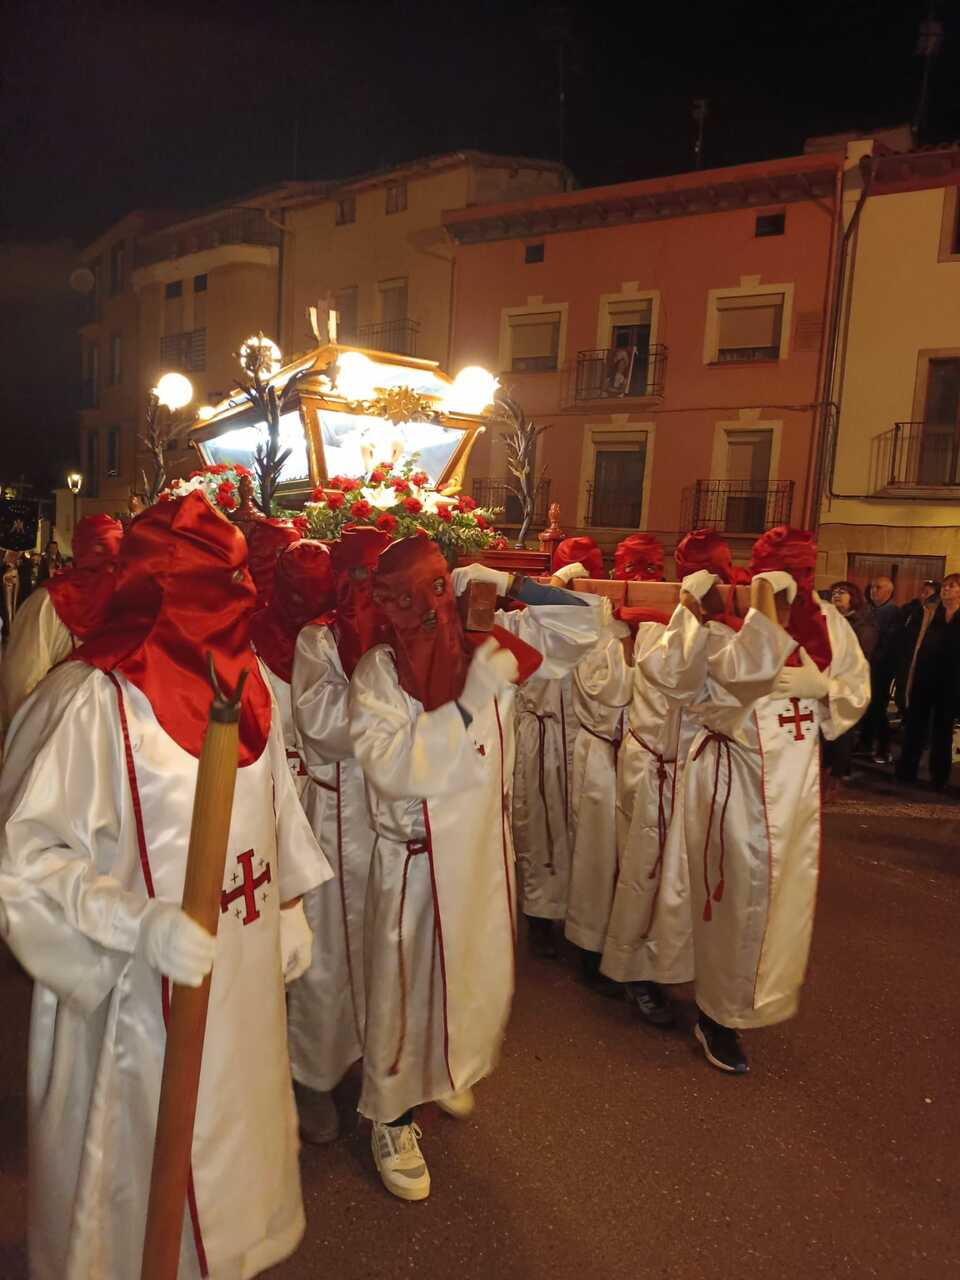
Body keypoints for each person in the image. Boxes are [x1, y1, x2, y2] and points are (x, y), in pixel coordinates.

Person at [0, 491, 331, 1279]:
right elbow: (23, 861)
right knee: (130, 1186)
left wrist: (287, 905)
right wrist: (134, 925)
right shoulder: (88, 701)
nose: (239, 603)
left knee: (231, 1143)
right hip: (127, 999)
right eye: (219, 587)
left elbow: (274, 807)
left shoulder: (246, 686)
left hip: (238, 977)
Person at [349, 538, 599, 1201]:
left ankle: (444, 1068)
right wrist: (463, 706)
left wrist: (513, 586)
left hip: (481, 854)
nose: (433, 610)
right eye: (416, 599)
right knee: (404, 992)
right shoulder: (380, 672)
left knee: (466, 978)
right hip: (415, 862)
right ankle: (390, 1117)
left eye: (441, 589)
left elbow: (586, 627)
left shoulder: (488, 642)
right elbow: (394, 770)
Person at [686, 527, 869, 1074]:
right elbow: (701, 696)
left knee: (781, 898)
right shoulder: (731, 618)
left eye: (805, 571)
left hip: (795, 788)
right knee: (736, 895)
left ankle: (755, 1001)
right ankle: (716, 1013)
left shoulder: (830, 621)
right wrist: (756, 659)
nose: (798, 583)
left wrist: (825, 690)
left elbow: (855, 685)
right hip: (740, 780)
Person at [600, 530, 752, 1025]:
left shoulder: (712, 629)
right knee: (643, 873)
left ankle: (666, 965)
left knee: (681, 881)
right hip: (654, 768)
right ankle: (632, 971)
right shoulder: (651, 625)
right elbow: (672, 679)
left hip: (688, 772)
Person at [287, 525, 390, 1145]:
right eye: (358, 576)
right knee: (327, 951)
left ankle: (387, 1066)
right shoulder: (317, 638)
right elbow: (321, 727)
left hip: (393, 815)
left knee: (389, 945)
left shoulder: (409, 635)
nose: (367, 589)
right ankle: (314, 1075)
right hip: (337, 811)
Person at [564, 532, 666, 992]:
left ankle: (636, 955)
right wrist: (625, 640)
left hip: (647, 763)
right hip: (603, 756)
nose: (642, 582)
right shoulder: (599, 627)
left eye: (652, 572)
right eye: (633, 572)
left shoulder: (666, 626)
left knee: (641, 862)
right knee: (597, 855)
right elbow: (606, 692)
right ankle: (590, 948)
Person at [513, 535, 601, 958]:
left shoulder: (599, 620)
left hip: (582, 739)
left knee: (583, 835)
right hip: (543, 735)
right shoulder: (525, 620)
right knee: (542, 831)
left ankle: (582, 921)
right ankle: (540, 916)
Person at [0, 515, 124, 736]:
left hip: (55, 729)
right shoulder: (131, 602)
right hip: (110, 733)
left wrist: (22, 734)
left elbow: (21, 677)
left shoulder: (46, 601)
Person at [896, 572, 960, 791]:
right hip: (924, 676)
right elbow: (912, 642)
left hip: (951, 681)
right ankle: (906, 771)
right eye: (945, 585)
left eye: (952, 586)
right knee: (915, 725)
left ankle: (939, 777)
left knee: (943, 729)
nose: (946, 589)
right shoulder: (929, 611)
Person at [859, 574, 902, 764]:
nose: (873, 591)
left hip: (880, 668)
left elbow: (890, 643)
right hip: (866, 666)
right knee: (866, 706)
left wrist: (875, 660)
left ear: (889, 591)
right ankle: (865, 743)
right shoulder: (870, 610)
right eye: (872, 587)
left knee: (878, 707)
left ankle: (883, 748)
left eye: (878, 587)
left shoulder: (892, 612)